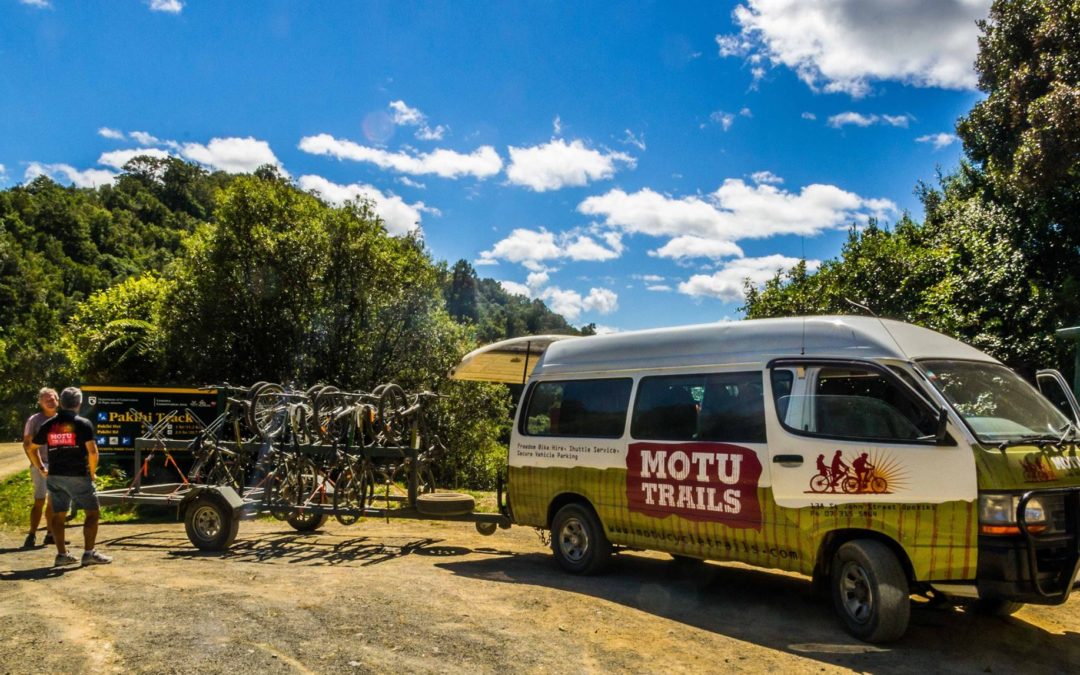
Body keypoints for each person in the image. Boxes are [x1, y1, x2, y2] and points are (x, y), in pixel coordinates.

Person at [30, 386, 112, 567]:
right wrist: (92, 472)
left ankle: (61, 555)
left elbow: (31, 447)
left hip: (55, 476)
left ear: (62, 402)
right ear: (78, 403)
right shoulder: (83, 423)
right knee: (92, 512)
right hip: (78, 475)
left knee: (58, 515)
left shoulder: (49, 424)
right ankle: (89, 553)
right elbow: (93, 452)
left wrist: (41, 467)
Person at [22, 388, 59, 549]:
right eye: (46, 399)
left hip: (58, 467)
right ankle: (31, 534)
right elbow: (27, 445)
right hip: (40, 465)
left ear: (58, 400)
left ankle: (50, 534)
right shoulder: (35, 420)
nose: (50, 401)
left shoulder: (62, 419)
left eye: (52, 398)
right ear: (40, 402)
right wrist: (40, 467)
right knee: (39, 500)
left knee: (53, 502)